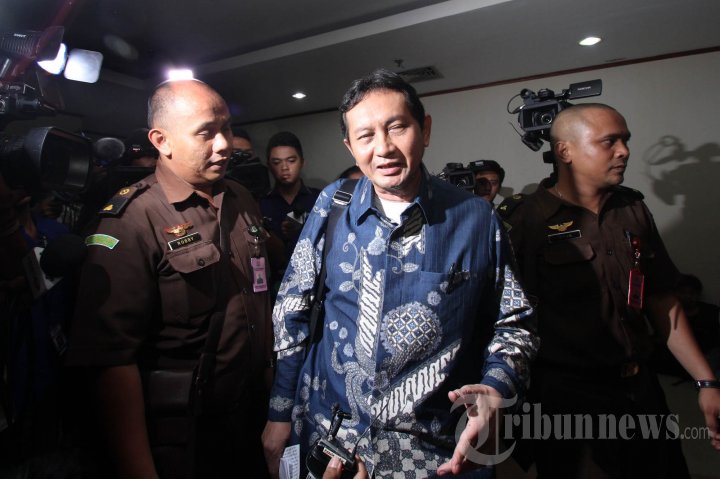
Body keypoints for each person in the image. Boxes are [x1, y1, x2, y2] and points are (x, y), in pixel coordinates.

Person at [262, 68, 538, 478]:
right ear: (350, 146)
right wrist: (279, 412)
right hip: (335, 443)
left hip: (435, 453)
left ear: (425, 130)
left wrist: (498, 388)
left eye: (397, 128)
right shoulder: (332, 205)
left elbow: (514, 323)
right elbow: (292, 309)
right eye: (365, 136)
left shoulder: (476, 218)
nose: (384, 148)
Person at [496, 103, 720, 477]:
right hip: (568, 399)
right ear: (565, 151)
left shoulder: (631, 209)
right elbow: (503, 316)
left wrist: (706, 380)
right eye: (609, 141)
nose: (624, 151)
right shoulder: (526, 219)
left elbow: (661, 299)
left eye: (625, 140)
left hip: (640, 388)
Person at [65, 79, 274, 479]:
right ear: (162, 141)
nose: (224, 144)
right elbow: (110, 362)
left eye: (226, 128)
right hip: (183, 437)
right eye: (206, 133)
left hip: (250, 416)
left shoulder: (240, 197)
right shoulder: (132, 220)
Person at [259, 131, 321, 263]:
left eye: (291, 161)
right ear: (269, 166)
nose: (284, 167)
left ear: (302, 162)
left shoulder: (320, 199)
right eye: (276, 162)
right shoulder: (259, 203)